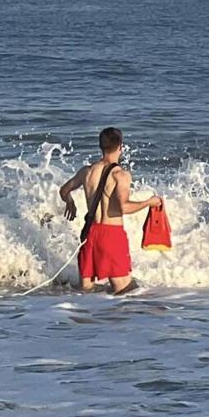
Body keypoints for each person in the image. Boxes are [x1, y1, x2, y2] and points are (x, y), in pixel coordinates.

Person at [58, 126, 163, 294]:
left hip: (89, 234)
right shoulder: (120, 175)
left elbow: (64, 191)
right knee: (125, 290)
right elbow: (124, 207)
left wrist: (70, 202)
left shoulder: (87, 172)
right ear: (120, 146)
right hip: (111, 235)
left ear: (101, 147)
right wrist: (149, 202)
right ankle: (117, 319)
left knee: (86, 291)